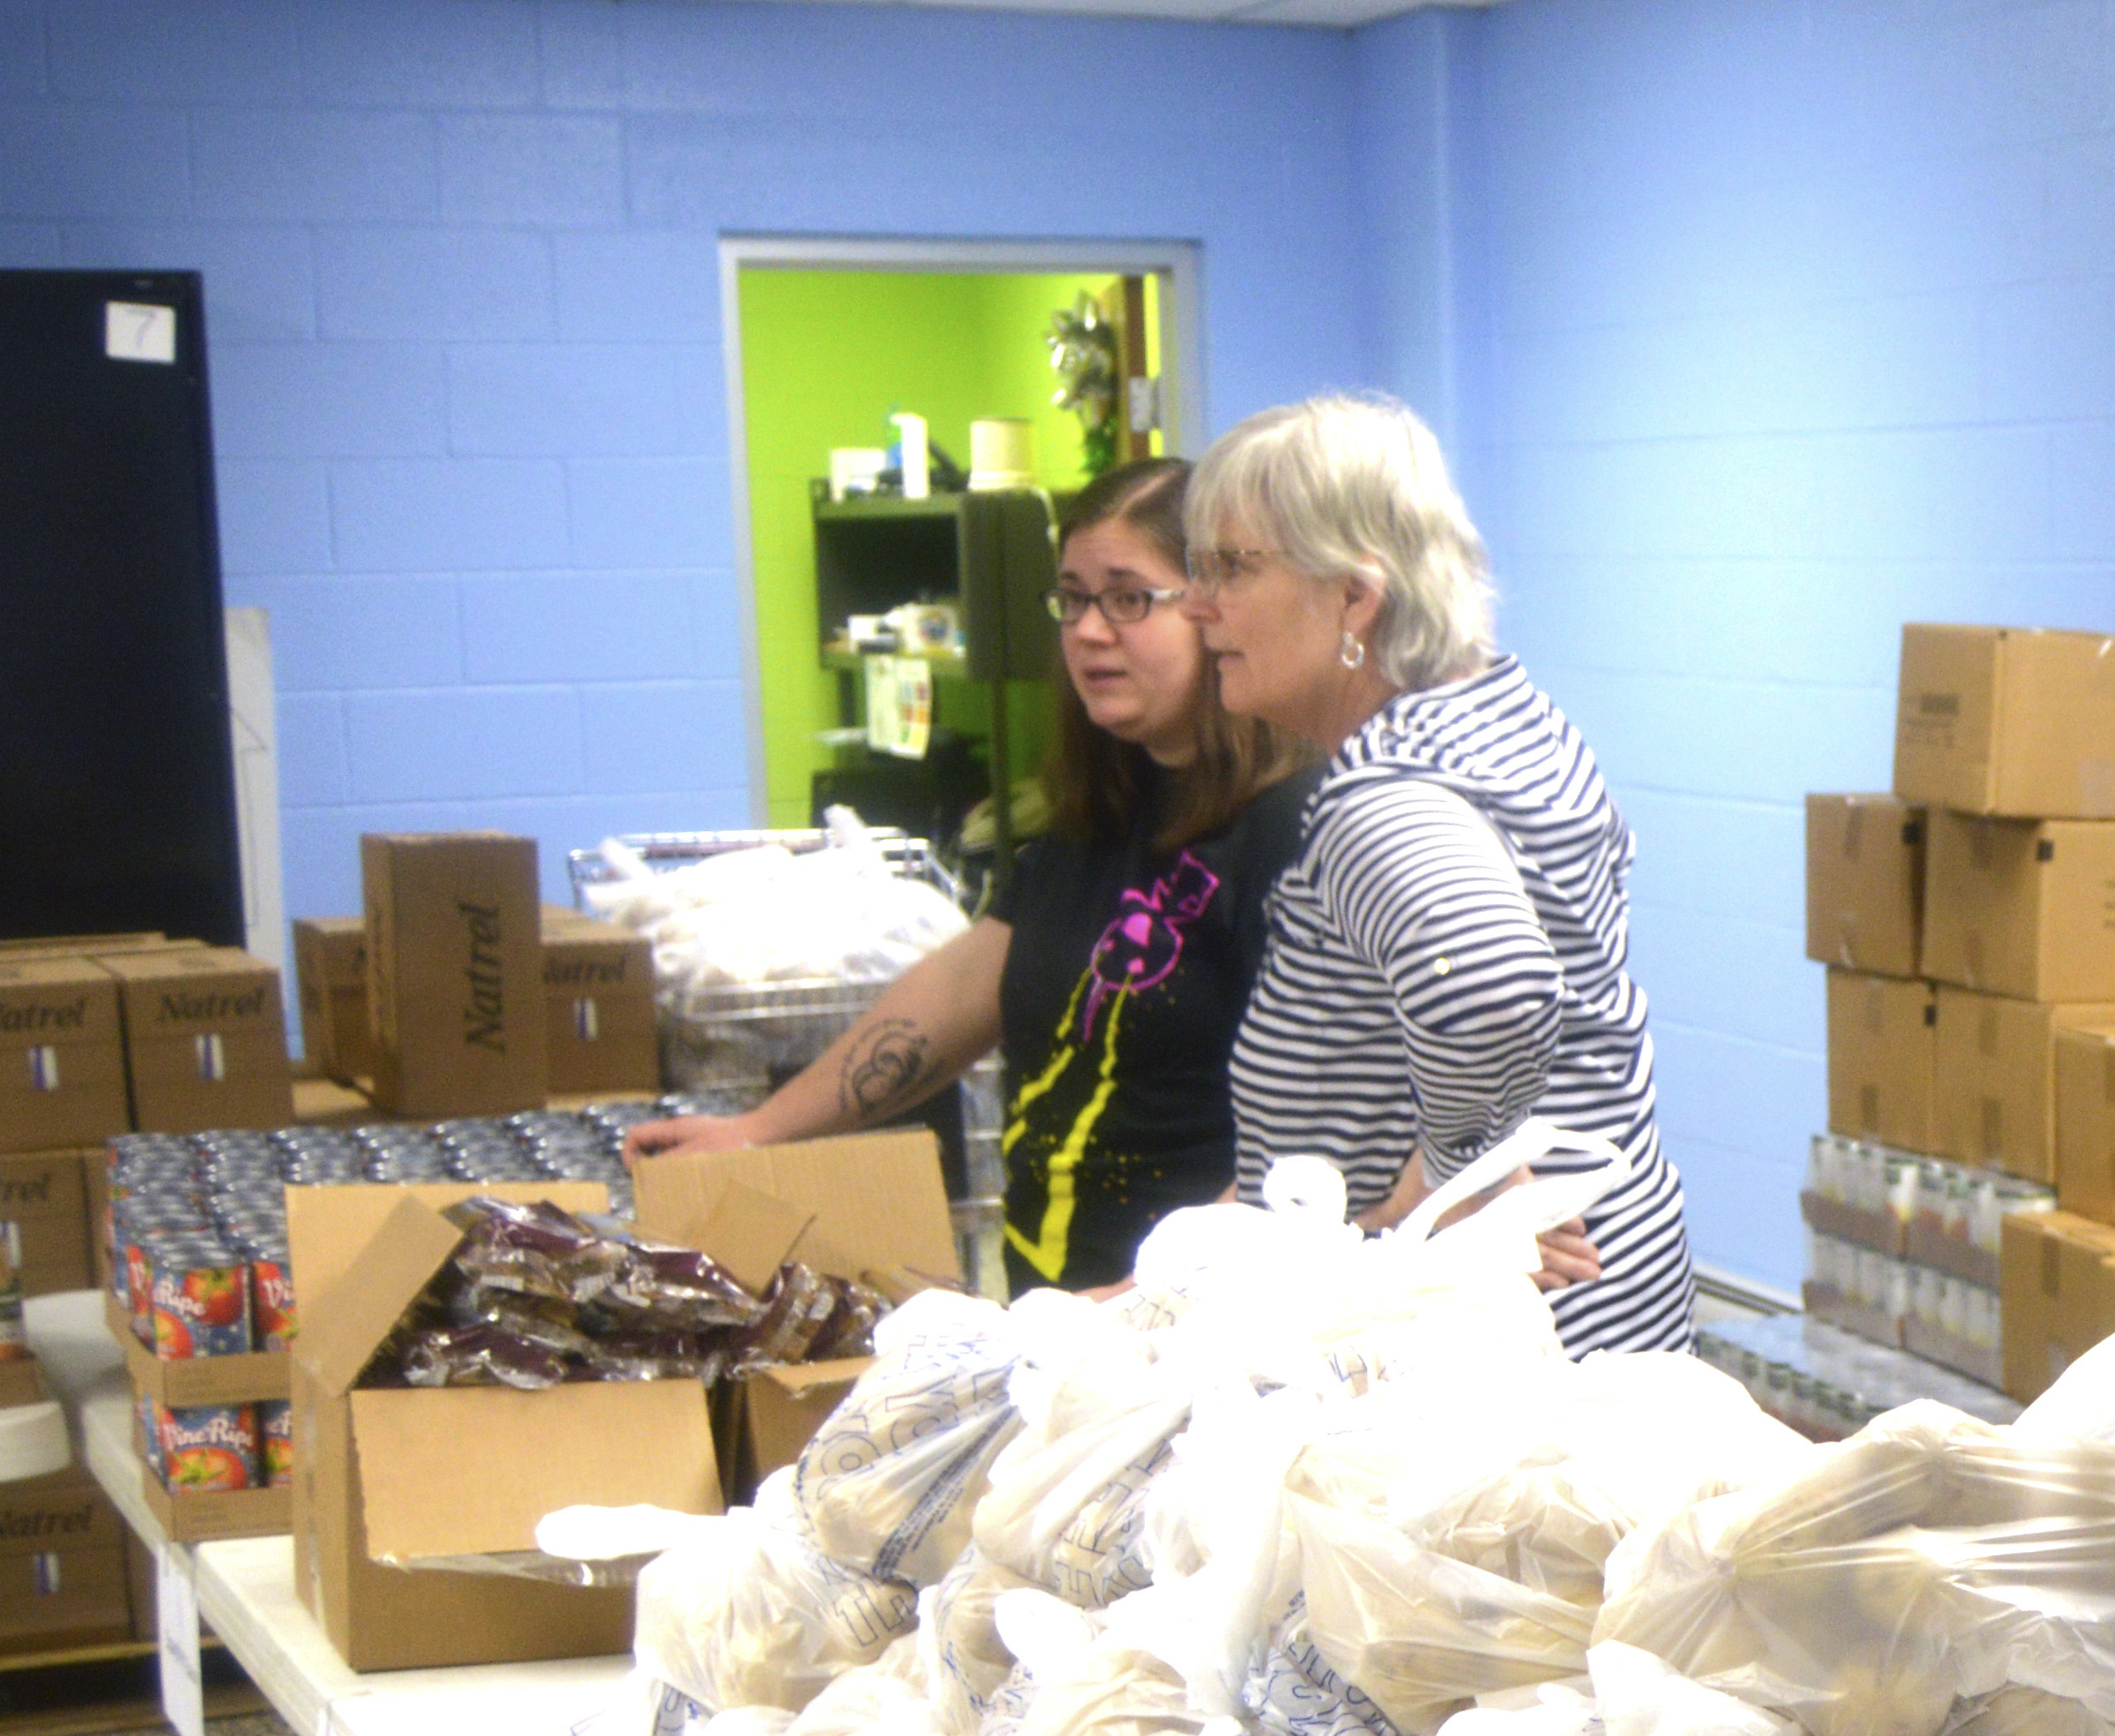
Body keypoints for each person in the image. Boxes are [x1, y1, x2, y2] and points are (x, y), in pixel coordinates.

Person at [631, 456, 1298, 1294]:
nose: (1090, 630)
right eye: (1075, 598)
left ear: (1211, 609)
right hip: (1057, 1317)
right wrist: (761, 1129)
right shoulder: (1102, 810)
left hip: (1191, 1339)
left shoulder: (1289, 832)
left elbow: (1316, 1130)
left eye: (1129, 598)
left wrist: (1147, 1305)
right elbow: (963, 987)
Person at [1185, 390, 1694, 1351]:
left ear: (1354, 598)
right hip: (1606, 1310)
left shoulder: (1388, 793)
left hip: (1482, 1360)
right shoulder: (1504, 718)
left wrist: (1456, 1176)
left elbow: (1493, 990)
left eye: (1232, 568)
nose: (1198, 604)